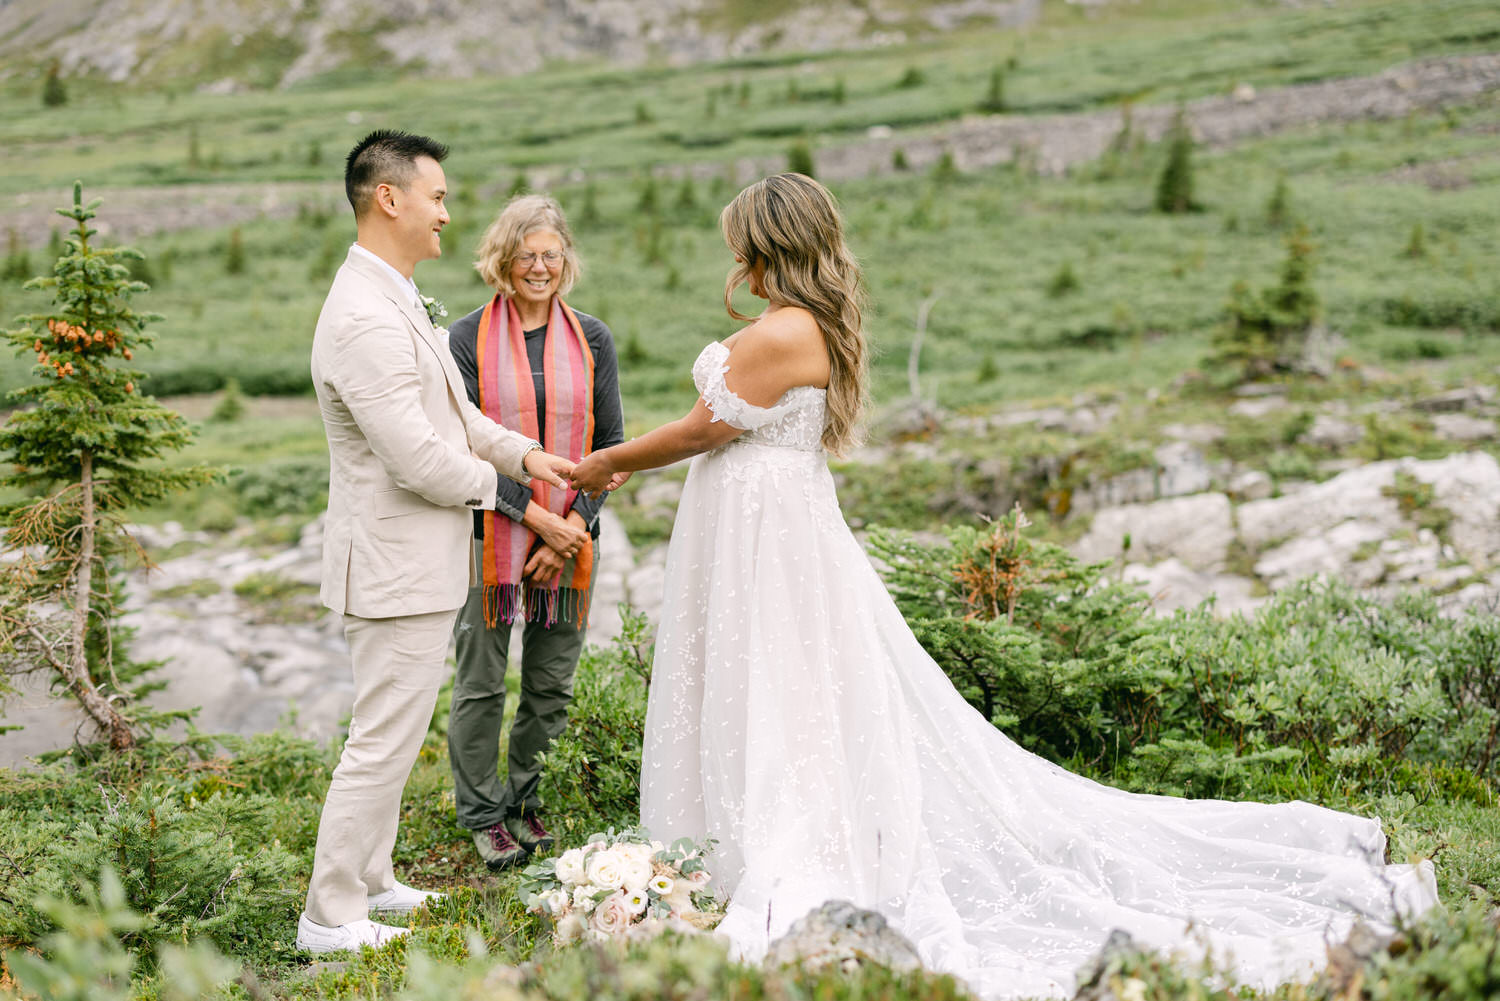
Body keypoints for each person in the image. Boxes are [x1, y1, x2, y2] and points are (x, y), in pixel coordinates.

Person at [567, 173, 1439, 1000]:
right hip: (772, 519)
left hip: (768, 528)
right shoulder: (808, 324)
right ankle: (748, 833)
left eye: (742, 245)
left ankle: (784, 842)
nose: (736, 261)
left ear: (770, 245)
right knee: (790, 681)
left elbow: (698, 429)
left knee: (784, 678)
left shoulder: (783, 331)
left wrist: (608, 461)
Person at [299, 130, 575, 954]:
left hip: (415, 566)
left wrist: (524, 451)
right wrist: (521, 502)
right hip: (388, 565)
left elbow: (456, 420)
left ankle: (374, 879)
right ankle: (329, 913)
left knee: (397, 728)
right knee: (381, 738)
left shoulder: (394, 296)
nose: (448, 214)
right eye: (440, 196)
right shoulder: (359, 316)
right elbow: (417, 457)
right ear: (391, 198)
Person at [444, 194, 624, 871]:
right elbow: (464, 445)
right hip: (488, 534)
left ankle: (526, 801)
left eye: (551, 254)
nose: (539, 267)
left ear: (566, 260)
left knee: (550, 685)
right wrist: (536, 518)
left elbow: (611, 444)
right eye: (527, 255)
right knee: (482, 682)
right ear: (502, 259)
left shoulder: (594, 337)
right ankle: (484, 816)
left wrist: (571, 528)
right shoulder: (463, 340)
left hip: (571, 538)